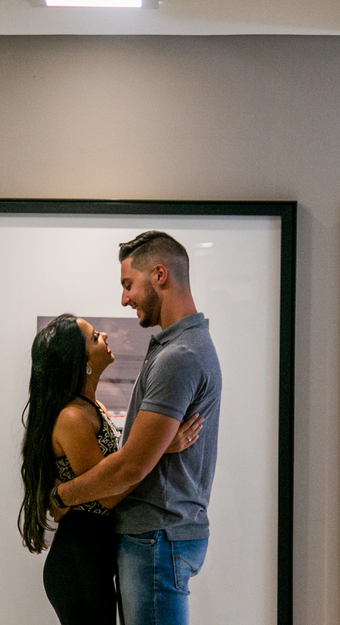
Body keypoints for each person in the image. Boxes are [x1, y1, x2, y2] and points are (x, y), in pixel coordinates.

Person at [51, 231, 222, 625]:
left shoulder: (178, 355)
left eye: (128, 284)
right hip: (159, 535)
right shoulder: (182, 347)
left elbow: (130, 467)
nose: (124, 299)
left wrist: (61, 494)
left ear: (159, 275)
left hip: (155, 536)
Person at [19, 314, 203, 625]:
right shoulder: (73, 418)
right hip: (79, 560)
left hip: (93, 557)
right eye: (94, 337)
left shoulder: (93, 408)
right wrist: (161, 448)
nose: (104, 335)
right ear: (81, 363)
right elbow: (108, 494)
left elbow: (112, 476)